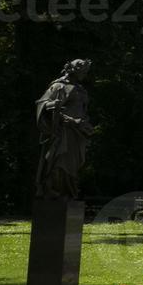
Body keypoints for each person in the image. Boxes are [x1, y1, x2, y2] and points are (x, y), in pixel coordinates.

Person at [35, 60, 94, 202]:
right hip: (63, 132)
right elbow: (42, 103)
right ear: (73, 69)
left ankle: (68, 193)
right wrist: (52, 106)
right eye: (82, 71)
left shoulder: (81, 90)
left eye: (86, 72)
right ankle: (54, 192)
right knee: (59, 163)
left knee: (73, 165)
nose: (84, 74)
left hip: (77, 132)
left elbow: (83, 111)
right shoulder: (58, 86)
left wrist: (84, 124)